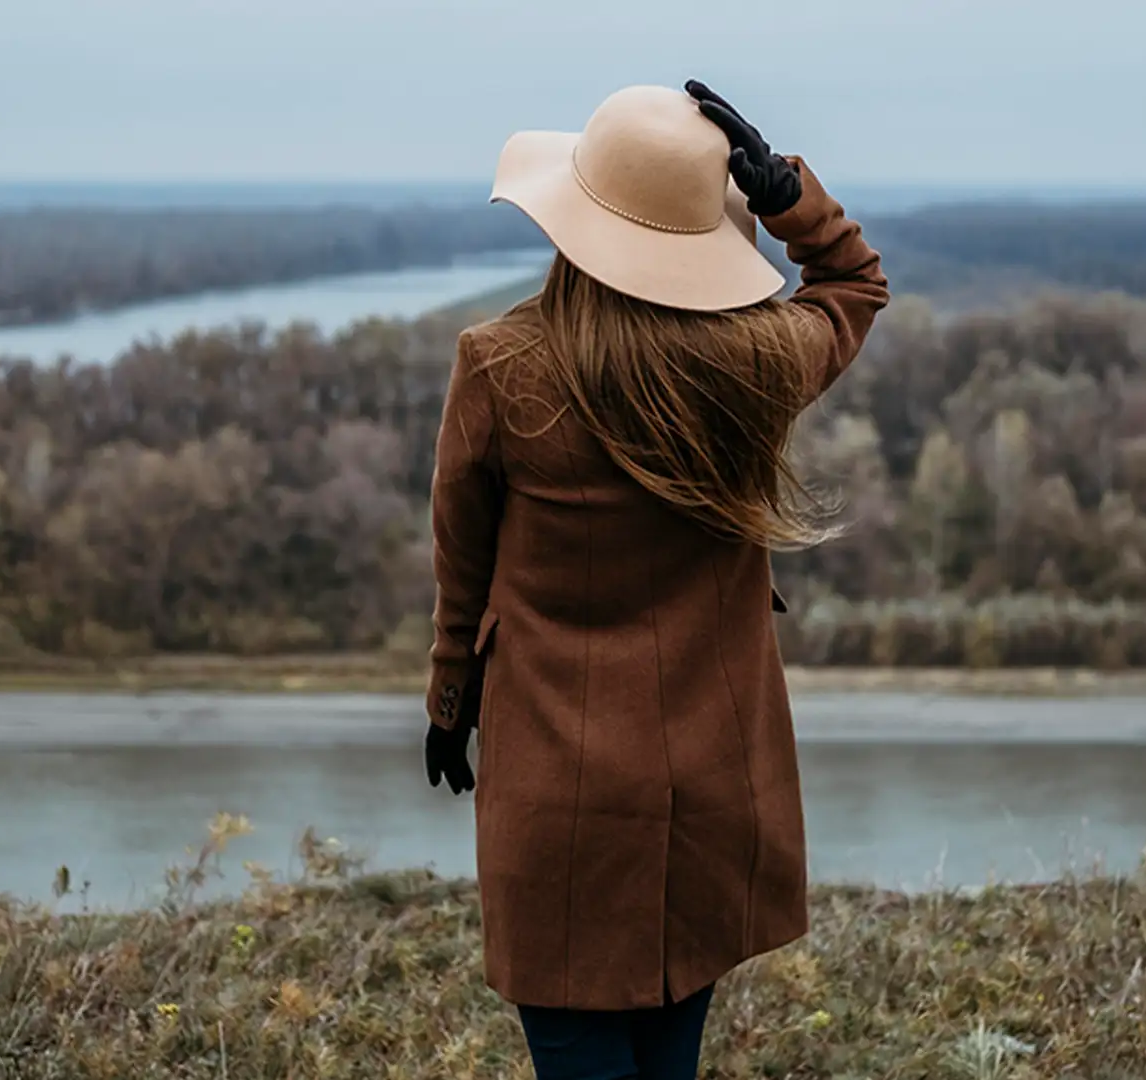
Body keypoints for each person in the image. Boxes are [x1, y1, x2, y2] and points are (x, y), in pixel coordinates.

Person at [420, 79, 888, 1080]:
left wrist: (450, 698)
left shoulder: (499, 367)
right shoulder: (755, 368)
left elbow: (461, 565)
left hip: (557, 796)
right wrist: (785, 193)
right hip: (710, 799)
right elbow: (852, 285)